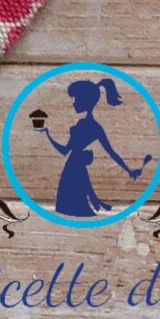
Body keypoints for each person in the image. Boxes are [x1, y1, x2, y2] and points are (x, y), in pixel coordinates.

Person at [33, 78, 153, 218]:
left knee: (73, 207)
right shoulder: (81, 125)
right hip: (72, 166)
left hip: (74, 166)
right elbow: (65, 151)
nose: (73, 103)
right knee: (69, 205)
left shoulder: (94, 127)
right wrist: (48, 134)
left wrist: (128, 170)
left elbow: (111, 152)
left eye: (76, 99)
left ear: (86, 101)